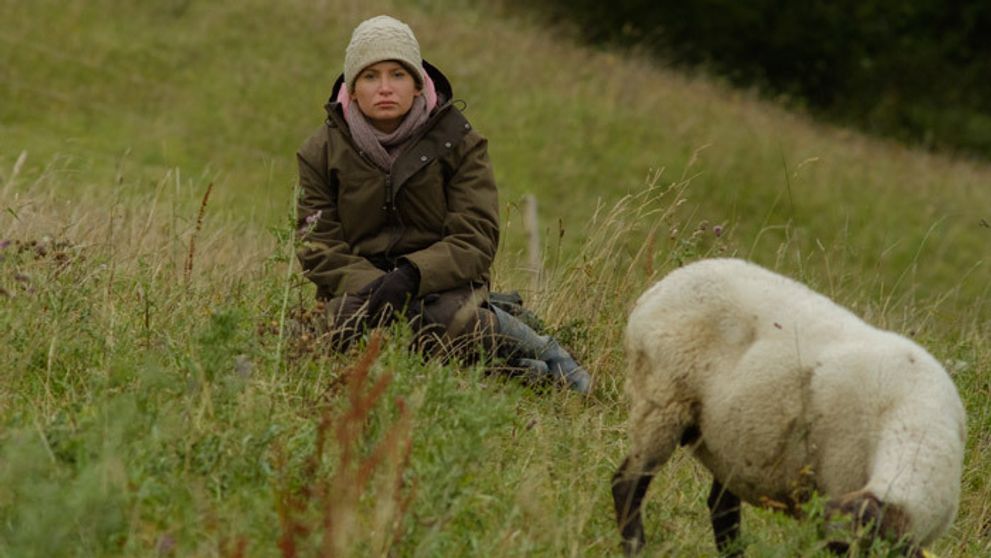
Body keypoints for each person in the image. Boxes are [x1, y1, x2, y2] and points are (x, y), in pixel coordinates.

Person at [295, 15, 590, 393]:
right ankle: (518, 371)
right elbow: (316, 245)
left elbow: (476, 238)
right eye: (370, 77)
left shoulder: (461, 143)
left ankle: (533, 346)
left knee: (451, 321)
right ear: (352, 90)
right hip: (359, 292)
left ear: (418, 85)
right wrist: (376, 288)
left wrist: (413, 276)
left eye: (398, 75)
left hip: (444, 290)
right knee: (315, 339)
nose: (385, 88)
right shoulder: (319, 151)